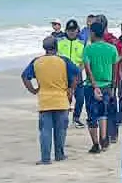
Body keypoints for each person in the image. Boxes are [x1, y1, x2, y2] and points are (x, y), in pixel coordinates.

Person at [22, 36, 82, 165]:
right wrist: (71, 89)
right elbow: (77, 74)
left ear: (44, 48)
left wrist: (33, 90)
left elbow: (25, 77)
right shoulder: (63, 61)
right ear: (56, 47)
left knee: (45, 131)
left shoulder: (37, 62)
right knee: (61, 130)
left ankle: (45, 158)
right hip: (61, 100)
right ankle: (59, 155)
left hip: (44, 101)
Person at [83, 22, 120, 154]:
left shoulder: (88, 49)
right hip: (107, 85)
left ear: (92, 33)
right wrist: (113, 87)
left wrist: (94, 86)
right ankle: (104, 139)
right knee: (103, 113)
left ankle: (95, 144)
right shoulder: (112, 49)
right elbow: (115, 70)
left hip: (91, 86)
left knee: (92, 115)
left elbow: (88, 69)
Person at [97, 15, 122, 143]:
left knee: (104, 107)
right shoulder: (115, 40)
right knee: (112, 105)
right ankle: (113, 135)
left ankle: (106, 136)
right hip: (114, 77)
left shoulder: (103, 41)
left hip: (104, 78)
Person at [58, 19, 86, 127]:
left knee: (80, 98)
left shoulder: (81, 43)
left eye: (73, 30)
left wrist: (80, 70)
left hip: (77, 74)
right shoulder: (59, 42)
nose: (71, 32)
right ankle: (64, 119)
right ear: (66, 30)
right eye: (69, 30)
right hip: (63, 74)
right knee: (65, 98)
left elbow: (85, 60)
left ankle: (76, 118)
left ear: (77, 30)